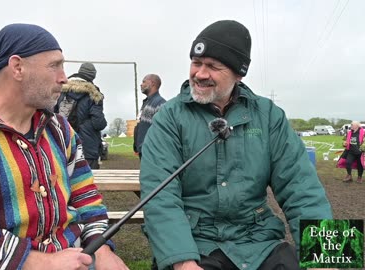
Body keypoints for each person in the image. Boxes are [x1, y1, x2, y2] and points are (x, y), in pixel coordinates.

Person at [0, 23, 127, 270]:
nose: (63, 78)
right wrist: (40, 262)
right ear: (17, 67)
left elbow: (87, 199)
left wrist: (101, 248)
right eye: (54, 65)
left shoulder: (60, 131)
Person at [139, 20, 332, 270]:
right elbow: (160, 195)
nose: (200, 74)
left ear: (238, 73)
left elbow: (302, 188)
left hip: (259, 242)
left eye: (212, 66)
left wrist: (327, 258)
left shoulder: (269, 115)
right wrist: (182, 261)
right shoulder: (169, 117)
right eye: (196, 63)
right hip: (194, 244)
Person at [55, 62, 107, 169]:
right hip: (87, 147)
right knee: (87, 181)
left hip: (62, 144)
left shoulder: (61, 90)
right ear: (92, 76)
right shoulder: (94, 94)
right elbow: (98, 123)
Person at [133, 74, 166, 159]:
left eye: (144, 81)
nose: (141, 84)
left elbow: (161, 132)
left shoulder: (160, 104)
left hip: (152, 153)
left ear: (152, 83)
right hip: (143, 151)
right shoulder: (146, 102)